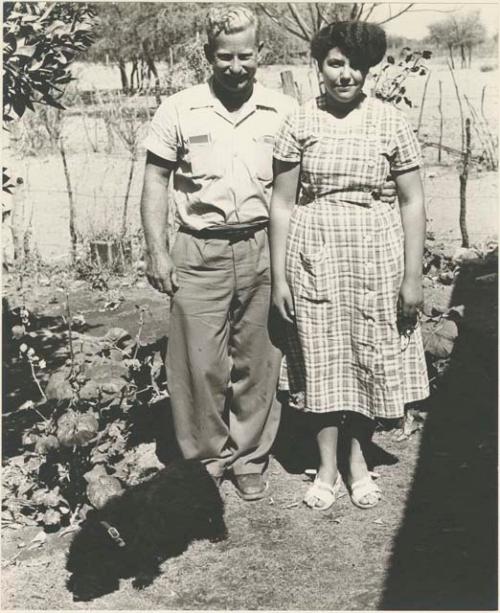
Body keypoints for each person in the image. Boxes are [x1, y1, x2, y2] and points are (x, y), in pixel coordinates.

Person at [141, 6, 397, 501]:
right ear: (207, 55)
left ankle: (250, 457)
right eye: (224, 57)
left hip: (265, 245)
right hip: (199, 245)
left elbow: (302, 186)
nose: (235, 67)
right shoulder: (178, 108)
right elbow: (155, 179)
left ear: (260, 53)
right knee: (198, 365)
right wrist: (157, 251)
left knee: (260, 360)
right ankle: (207, 461)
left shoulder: (285, 111)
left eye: (245, 56)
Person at [269, 21, 429, 511]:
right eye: (336, 63)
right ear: (319, 66)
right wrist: (279, 276)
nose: (346, 75)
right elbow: (281, 202)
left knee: (366, 357)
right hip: (314, 253)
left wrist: (412, 274)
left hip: (375, 253)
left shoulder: (390, 121)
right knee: (322, 360)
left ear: (369, 69)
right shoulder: (299, 121)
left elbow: (412, 201)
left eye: (356, 65)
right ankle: (326, 468)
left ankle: (358, 462)